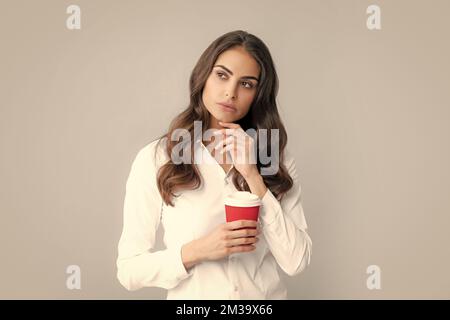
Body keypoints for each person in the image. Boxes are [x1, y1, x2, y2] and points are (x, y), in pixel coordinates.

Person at [116, 30, 312, 299]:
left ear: (258, 94)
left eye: (247, 84)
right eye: (222, 75)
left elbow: (296, 261)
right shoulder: (159, 157)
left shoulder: (273, 157)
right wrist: (197, 251)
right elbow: (128, 270)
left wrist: (253, 175)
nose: (230, 93)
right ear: (203, 77)